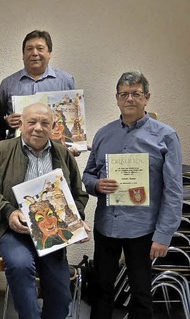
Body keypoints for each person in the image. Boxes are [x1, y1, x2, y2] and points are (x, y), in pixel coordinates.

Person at [0, 102, 89, 319]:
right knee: (21, 265)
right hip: (12, 231)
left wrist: (76, 221)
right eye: (32, 122)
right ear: (21, 124)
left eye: (45, 123)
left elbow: (79, 195)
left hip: (52, 235)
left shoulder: (64, 155)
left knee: (61, 296)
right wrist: (8, 212)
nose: (38, 128)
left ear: (53, 126)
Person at [82, 71, 183, 319]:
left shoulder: (166, 136)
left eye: (136, 94)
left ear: (147, 98)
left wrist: (163, 235)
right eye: (124, 94)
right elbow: (87, 175)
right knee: (102, 289)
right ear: (116, 98)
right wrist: (97, 185)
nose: (129, 99)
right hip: (107, 225)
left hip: (144, 229)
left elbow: (173, 190)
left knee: (141, 293)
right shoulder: (103, 134)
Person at [0, 30, 74, 139]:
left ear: (49, 54)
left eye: (40, 48)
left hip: (54, 150)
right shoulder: (8, 84)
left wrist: (74, 146)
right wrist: (6, 122)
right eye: (29, 49)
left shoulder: (65, 81)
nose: (34, 53)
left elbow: (71, 118)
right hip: (18, 151)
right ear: (23, 55)